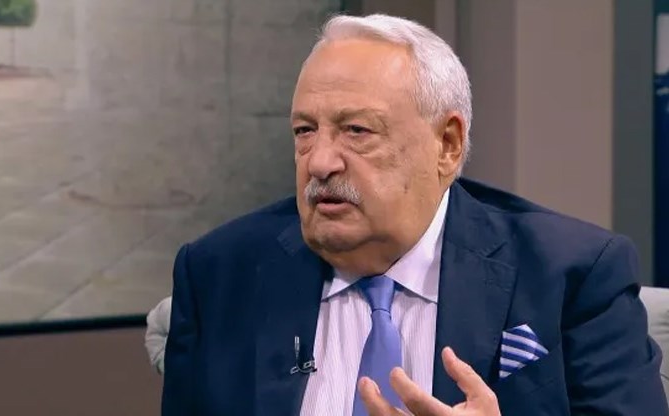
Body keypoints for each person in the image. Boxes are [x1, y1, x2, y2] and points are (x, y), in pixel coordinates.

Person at [162, 14, 668, 416]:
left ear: (447, 145)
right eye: (304, 131)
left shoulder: (571, 276)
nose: (319, 161)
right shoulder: (218, 275)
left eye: (356, 130)